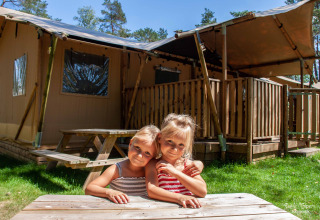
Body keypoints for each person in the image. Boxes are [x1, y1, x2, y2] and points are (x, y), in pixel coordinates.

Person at [85, 124, 204, 204]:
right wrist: (108, 192)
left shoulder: (153, 167)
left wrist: (199, 163)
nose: (139, 155)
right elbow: (89, 188)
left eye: (147, 153)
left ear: (154, 156)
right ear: (131, 143)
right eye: (137, 148)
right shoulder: (117, 169)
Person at [146, 113, 207, 209]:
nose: (174, 149)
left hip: (189, 212)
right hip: (163, 212)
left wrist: (175, 173)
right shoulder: (153, 164)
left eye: (181, 145)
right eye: (170, 141)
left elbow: (202, 191)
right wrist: (180, 198)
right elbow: (152, 190)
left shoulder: (188, 165)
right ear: (159, 138)